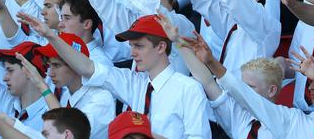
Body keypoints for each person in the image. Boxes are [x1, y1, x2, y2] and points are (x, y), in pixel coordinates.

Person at [20, 12, 212, 138]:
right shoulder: (135, 82)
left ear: (161, 46)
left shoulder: (189, 88)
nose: (132, 53)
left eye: (139, 46)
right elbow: (88, 67)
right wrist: (51, 36)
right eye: (131, 46)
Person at [36, 32, 115, 138]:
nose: (50, 73)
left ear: (75, 64)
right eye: (49, 65)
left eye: (56, 65)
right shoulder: (66, 97)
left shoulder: (101, 99)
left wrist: (42, 87)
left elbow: (72, 134)